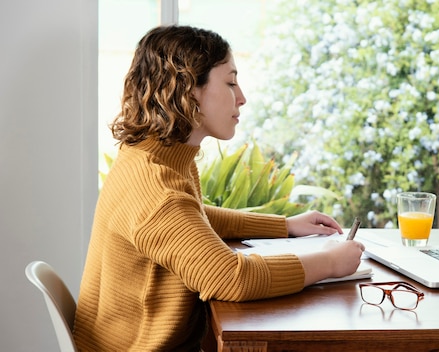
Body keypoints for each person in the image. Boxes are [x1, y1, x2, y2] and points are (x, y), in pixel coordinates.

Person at [73, 25, 365, 351]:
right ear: (188, 89)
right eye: (230, 82)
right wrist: (329, 262)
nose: (242, 97)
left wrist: (286, 226)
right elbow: (231, 277)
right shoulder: (156, 188)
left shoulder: (152, 157)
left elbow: (193, 218)